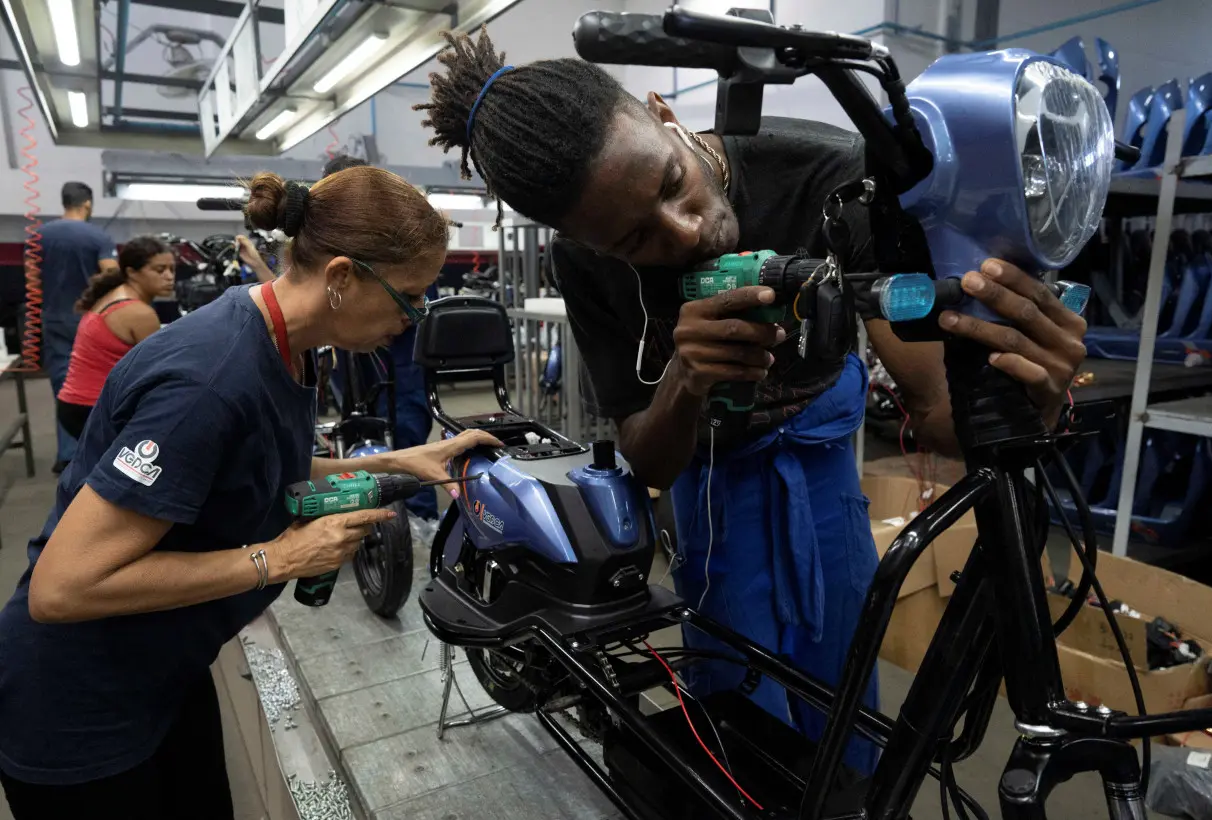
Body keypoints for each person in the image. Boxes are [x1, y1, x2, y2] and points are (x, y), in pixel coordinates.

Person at [416, 28, 1089, 772]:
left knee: (844, 710)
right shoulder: (583, 257)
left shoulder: (831, 177)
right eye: (637, 239)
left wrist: (1030, 408)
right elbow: (646, 462)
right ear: (590, 243)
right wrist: (685, 379)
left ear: (664, 114)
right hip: (713, 494)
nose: (688, 233)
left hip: (824, 475)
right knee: (738, 722)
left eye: (674, 184)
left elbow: (935, 412)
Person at [0, 166, 499, 820]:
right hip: (78, 708)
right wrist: (283, 558)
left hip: (164, 668)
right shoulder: (210, 381)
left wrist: (411, 460)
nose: (410, 322)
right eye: (409, 298)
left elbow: (272, 465)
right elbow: (63, 587)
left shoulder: (289, 344)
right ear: (342, 277)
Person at [317, 154, 443, 524]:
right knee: (356, 419)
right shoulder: (324, 238)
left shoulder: (400, 231)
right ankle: (366, 507)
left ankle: (415, 516)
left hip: (398, 346)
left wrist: (394, 316)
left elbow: (413, 296)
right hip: (347, 341)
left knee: (404, 419)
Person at [55, 236, 176, 441]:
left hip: (75, 405)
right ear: (131, 272)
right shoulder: (138, 312)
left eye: (172, 269)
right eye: (159, 270)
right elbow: (162, 372)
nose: (169, 276)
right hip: (92, 408)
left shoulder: (113, 296)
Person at [36, 181, 119, 472]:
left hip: (54, 316)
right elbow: (111, 272)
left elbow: (31, 279)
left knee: (64, 384)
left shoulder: (39, 236)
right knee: (97, 382)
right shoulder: (98, 236)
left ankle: (69, 453)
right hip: (90, 319)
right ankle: (98, 451)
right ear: (87, 204)